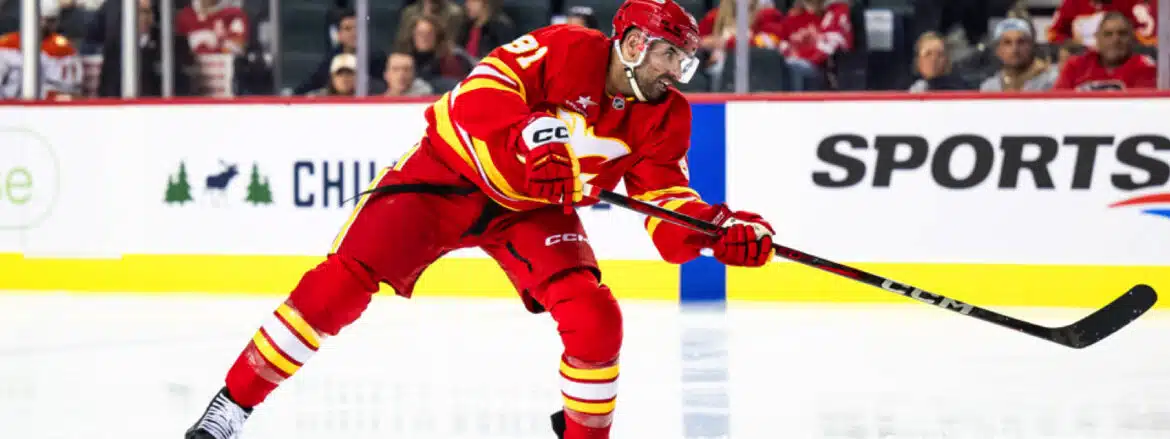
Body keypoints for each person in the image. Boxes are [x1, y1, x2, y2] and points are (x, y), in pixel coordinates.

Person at [182, 1, 777, 438]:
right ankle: (232, 406)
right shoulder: (567, 47)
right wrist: (528, 137)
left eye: (684, 58)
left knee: (596, 317)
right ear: (633, 43)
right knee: (341, 283)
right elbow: (476, 92)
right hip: (447, 176)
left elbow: (665, 208)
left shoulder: (667, 117)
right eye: (669, 52)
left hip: (533, 209)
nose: (676, 69)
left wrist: (716, 231)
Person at [1053, 11, 1155, 90]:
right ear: (1097, 39)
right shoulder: (1075, 67)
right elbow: (1056, 103)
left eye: (1122, 33)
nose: (1115, 39)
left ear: (1132, 39)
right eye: (1108, 34)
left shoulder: (1144, 67)